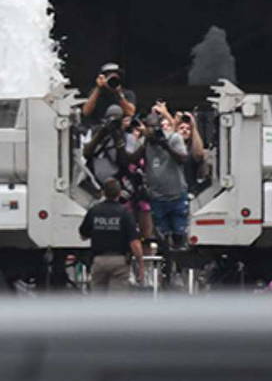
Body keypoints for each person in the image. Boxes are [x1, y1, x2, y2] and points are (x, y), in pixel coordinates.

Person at [78, 179, 145, 293]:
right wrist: (141, 265)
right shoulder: (125, 213)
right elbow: (134, 243)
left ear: (103, 193)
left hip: (98, 260)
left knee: (98, 298)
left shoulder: (94, 211)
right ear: (119, 193)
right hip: (119, 261)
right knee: (117, 299)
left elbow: (83, 235)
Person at [139, 105, 189, 249]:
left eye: (154, 127)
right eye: (148, 127)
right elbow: (132, 158)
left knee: (179, 234)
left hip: (176, 195)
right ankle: (166, 257)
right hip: (157, 197)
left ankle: (179, 256)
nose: (151, 131)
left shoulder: (174, 138)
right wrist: (145, 143)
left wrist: (165, 145)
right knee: (162, 236)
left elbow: (183, 159)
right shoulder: (145, 142)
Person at [83, 105, 140, 189]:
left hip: (113, 184)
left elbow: (124, 163)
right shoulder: (95, 131)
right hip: (92, 179)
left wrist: (118, 138)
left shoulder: (127, 137)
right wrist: (101, 133)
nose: (113, 123)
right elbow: (86, 154)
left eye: (116, 121)